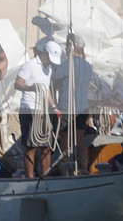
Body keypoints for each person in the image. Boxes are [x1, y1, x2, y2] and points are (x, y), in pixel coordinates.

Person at [13, 39, 59, 178]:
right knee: (31, 147)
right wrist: (30, 88)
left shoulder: (49, 68)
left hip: (43, 110)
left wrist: (54, 106)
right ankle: (30, 179)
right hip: (29, 109)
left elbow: (46, 90)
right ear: (44, 53)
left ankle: (45, 177)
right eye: (50, 58)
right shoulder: (30, 65)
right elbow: (17, 84)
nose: (51, 61)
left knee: (46, 146)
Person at [55, 34, 94, 174]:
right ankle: (84, 169)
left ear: (73, 48)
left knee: (65, 143)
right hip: (82, 108)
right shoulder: (87, 66)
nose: (65, 49)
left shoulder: (68, 64)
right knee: (80, 141)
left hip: (67, 108)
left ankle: (67, 171)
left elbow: (54, 75)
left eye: (67, 47)